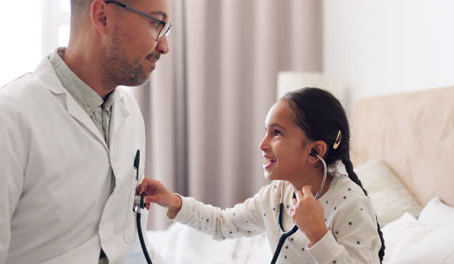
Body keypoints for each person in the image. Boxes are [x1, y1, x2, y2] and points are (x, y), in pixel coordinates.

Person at [0, 0, 171, 263]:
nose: (164, 46)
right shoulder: (5, 118)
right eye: (156, 23)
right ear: (102, 17)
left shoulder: (128, 112)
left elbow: (124, 239)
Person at [140, 87, 386, 263]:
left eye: (277, 133)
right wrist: (174, 202)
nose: (262, 144)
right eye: (265, 131)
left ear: (314, 151)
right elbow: (222, 224)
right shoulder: (276, 196)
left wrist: (317, 233)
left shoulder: (351, 204)